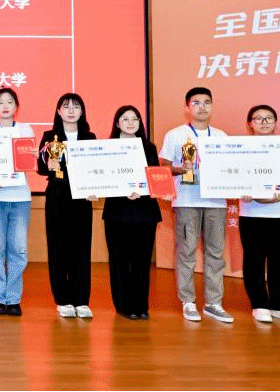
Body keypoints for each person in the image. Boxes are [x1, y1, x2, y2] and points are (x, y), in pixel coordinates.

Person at [159, 86, 233, 323]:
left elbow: (230, 167)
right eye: (196, 103)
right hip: (186, 200)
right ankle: (188, 301)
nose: (202, 107)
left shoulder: (221, 137)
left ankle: (213, 303)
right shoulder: (175, 135)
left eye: (207, 102)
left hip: (216, 202)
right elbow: (163, 167)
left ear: (212, 106)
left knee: (215, 253)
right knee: (186, 251)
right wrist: (182, 169)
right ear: (187, 107)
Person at [238, 105, 280, 325]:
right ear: (250, 123)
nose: (264, 122)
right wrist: (241, 191)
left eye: (269, 118)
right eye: (258, 118)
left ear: (275, 122)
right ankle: (260, 305)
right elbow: (233, 177)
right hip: (252, 213)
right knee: (254, 262)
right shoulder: (240, 148)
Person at [101, 105, 163, 320]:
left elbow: (154, 176)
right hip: (117, 211)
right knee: (120, 260)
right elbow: (104, 177)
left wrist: (142, 190)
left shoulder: (149, 147)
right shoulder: (108, 148)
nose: (130, 122)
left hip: (144, 211)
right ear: (117, 123)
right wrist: (122, 191)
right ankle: (123, 305)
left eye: (135, 119)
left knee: (141, 261)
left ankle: (141, 306)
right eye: (125, 119)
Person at [37, 92, 96, 319]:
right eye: (66, 106)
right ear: (59, 111)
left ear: (82, 111)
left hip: (82, 200)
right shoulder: (49, 136)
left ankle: (82, 300)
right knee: (58, 248)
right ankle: (62, 299)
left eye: (76, 106)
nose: (71, 110)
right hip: (57, 198)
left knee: (81, 248)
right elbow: (41, 167)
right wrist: (48, 164)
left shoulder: (90, 137)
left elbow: (96, 168)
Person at [0, 87, 34, 316]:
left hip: (20, 198)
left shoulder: (25, 130)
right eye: (1, 102)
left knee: (18, 251)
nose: (5, 106)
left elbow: (26, 162)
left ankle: (13, 299)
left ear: (16, 107)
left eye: (10, 102)